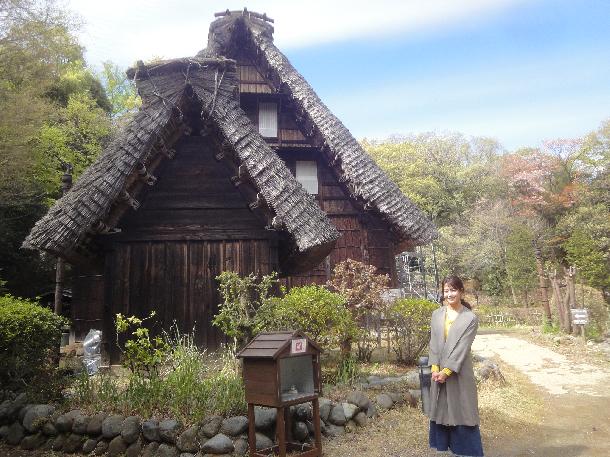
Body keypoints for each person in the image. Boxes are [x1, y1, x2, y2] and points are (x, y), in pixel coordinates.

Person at [427, 275, 483, 457]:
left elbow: (462, 348)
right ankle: (449, 450)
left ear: (461, 292)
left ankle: (468, 452)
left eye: (453, 290)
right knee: (442, 410)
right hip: (439, 373)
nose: (449, 294)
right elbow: (434, 343)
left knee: (463, 411)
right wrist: (435, 369)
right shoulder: (437, 314)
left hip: (458, 372)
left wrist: (447, 371)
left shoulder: (470, 318)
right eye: (446, 290)